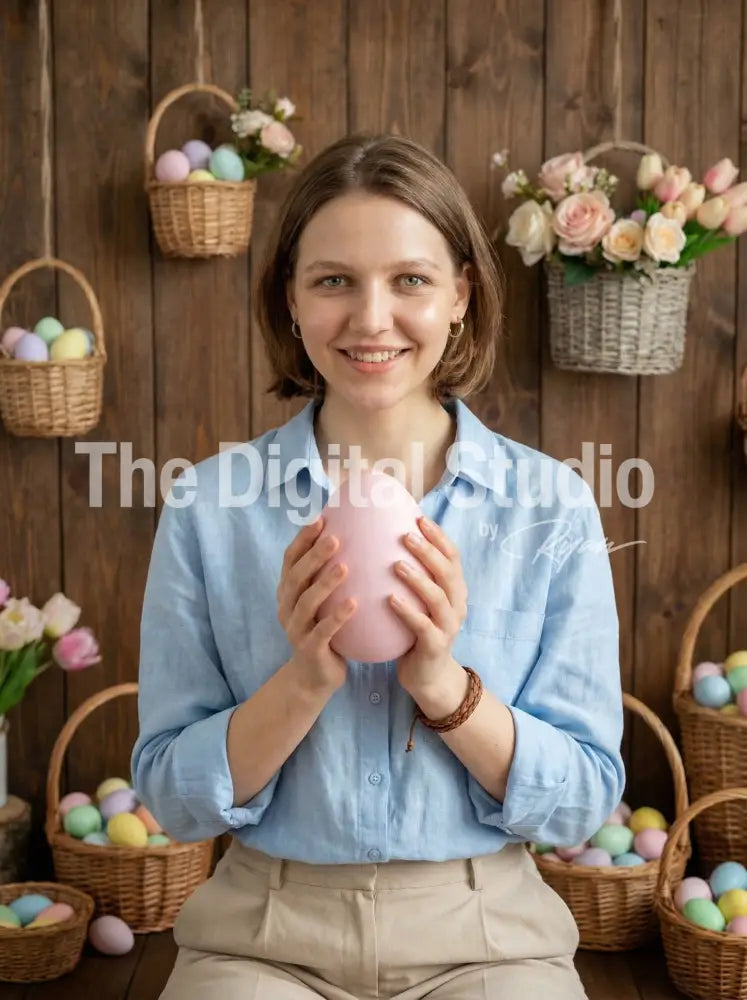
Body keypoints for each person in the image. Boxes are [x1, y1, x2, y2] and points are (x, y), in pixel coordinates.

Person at [132, 132, 624, 1000]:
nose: (369, 319)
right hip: (262, 936)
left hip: (488, 937)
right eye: (332, 281)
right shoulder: (209, 507)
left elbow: (585, 798)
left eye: (410, 280)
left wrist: (442, 684)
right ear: (289, 298)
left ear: (461, 295)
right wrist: (303, 681)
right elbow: (173, 799)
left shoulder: (549, 506)